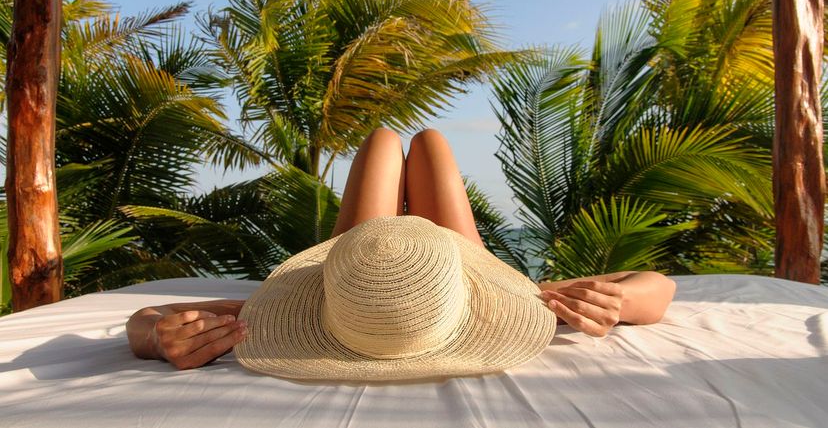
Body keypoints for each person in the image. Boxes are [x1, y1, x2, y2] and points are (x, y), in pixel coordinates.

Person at [126, 128, 676, 370]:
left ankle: (394, 154)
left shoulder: (290, 311)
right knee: (423, 144)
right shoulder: (517, 302)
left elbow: (148, 317)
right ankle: (410, 151)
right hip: (451, 262)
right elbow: (657, 286)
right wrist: (620, 304)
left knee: (388, 143)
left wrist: (155, 337)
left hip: (396, 264)